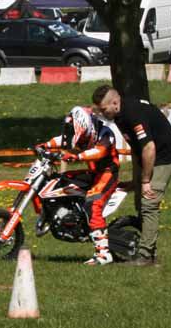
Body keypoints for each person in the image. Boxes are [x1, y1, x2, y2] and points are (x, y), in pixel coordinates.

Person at [89, 84, 171, 266]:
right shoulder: (118, 115)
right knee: (141, 202)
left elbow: (149, 147)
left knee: (149, 203)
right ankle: (148, 247)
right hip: (149, 156)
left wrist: (145, 180)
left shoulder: (132, 113)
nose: (102, 114)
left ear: (115, 103)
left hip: (164, 157)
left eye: (104, 110)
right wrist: (136, 181)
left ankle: (146, 257)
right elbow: (137, 147)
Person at [36, 105, 120, 265]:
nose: (76, 135)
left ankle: (104, 254)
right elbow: (63, 139)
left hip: (108, 173)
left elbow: (99, 152)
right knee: (58, 181)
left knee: (93, 204)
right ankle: (67, 216)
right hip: (93, 173)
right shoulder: (84, 134)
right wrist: (45, 146)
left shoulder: (105, 133)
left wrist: (77, 156)